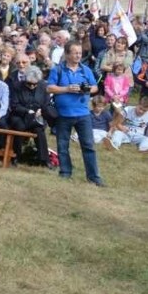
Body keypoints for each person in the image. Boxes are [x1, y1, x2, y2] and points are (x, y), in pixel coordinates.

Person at [47, 40, 105, 186]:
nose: (78, 55)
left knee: (88, 146)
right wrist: (66, 89)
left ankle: (94, 177)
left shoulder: (86, 70)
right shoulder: (58, 70)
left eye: (80, 53)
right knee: (62, 145)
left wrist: (85, 89)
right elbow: (49, 88)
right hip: (63, 114)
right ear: (67, 54)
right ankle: (65, 172)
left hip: (83, 113)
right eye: (75, 53)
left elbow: (95, 88)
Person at [8, 65, 53, 167]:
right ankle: (16, 156)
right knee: (19, 128)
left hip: (36, 117)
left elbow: (47, 103)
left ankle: (44, 159)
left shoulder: (43, 87)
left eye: (34, 84)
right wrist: (27, 111)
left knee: (39, 130)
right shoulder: (17, 86)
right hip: (20, 116)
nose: (32, 86)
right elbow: (14, 105)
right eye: (29, 84)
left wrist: (41, 111)